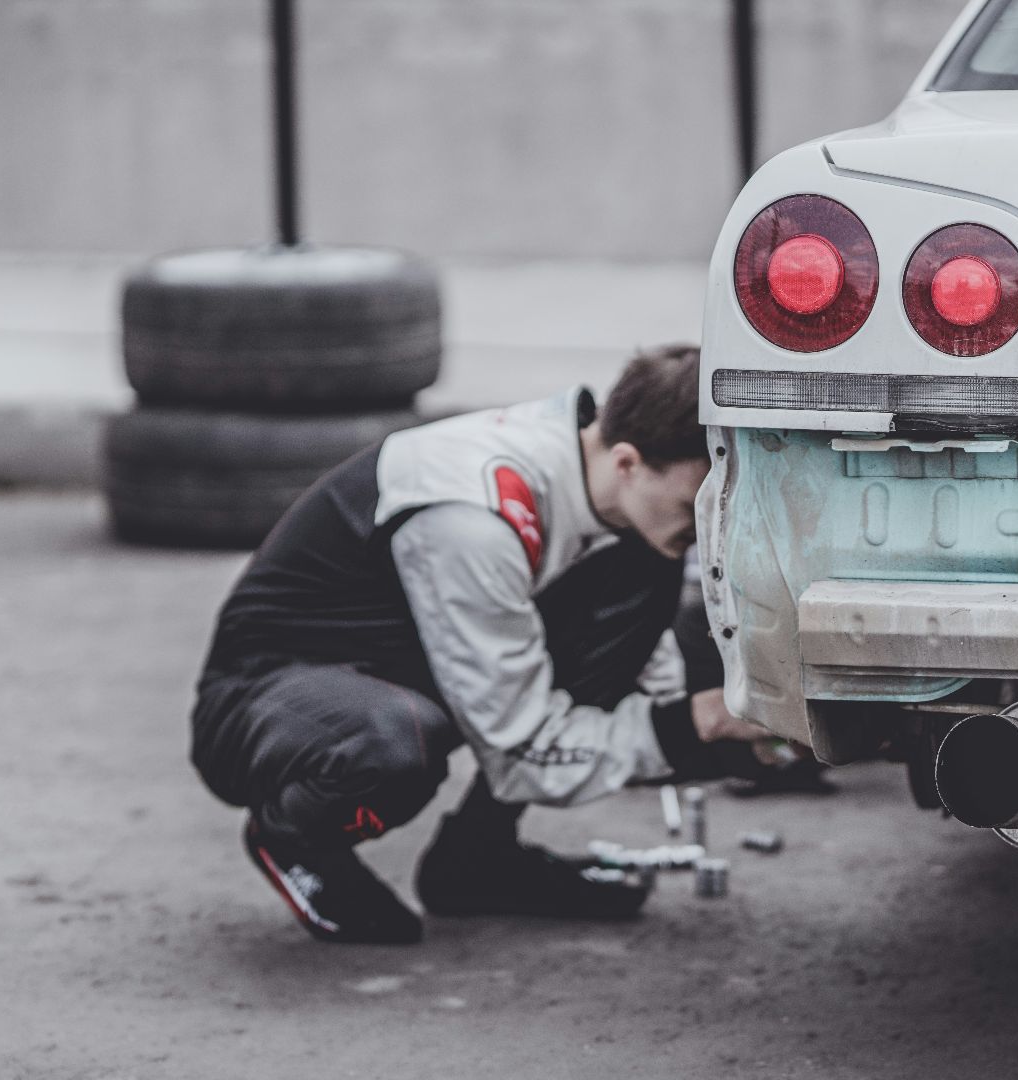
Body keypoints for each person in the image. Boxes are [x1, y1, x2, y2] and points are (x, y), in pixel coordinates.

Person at [189, 345, 766, 944]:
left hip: (406, 654)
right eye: (692, 508)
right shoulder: (475, 520)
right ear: (628, 462)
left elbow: (633, 681)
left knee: (645, 564)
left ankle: (476, 859)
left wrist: (735, 734)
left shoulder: (591, 467)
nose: (709, 534)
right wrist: (696, 724)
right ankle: (293, 834)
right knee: (396, 745)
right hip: (269, 700)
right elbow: (524, 751)